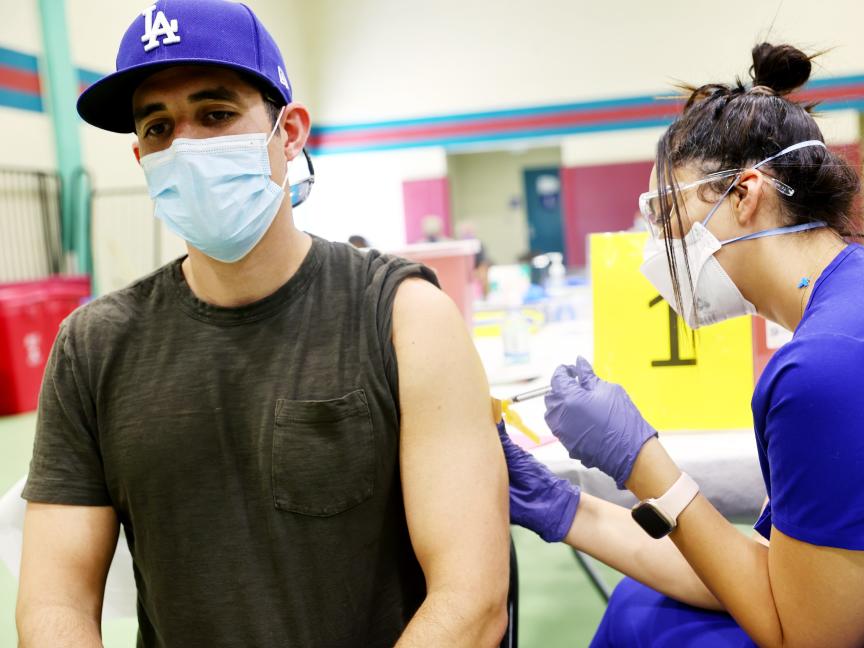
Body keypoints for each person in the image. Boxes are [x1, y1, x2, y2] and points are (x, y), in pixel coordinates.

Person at [16, 2, 508, 646]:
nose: (186, 147)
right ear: (141, 158)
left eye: (216, 115)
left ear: (290, 132)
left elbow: (470, 601)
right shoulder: (94, 347)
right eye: (160, 128)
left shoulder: (402, 315)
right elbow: (55, 605)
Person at [500, 43, 864, 646]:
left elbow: (811, 637)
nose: (657, 247)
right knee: (644, 602)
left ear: (744, 195)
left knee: (644, 628)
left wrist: (644, 463)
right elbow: (774, 567)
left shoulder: (832, 366)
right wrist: (562, 507)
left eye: (666, 215)